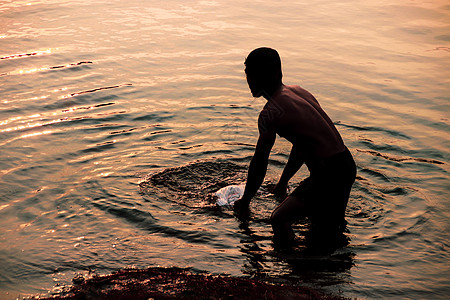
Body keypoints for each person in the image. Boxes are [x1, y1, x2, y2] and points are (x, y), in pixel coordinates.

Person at [234, 47, 356, 248]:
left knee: (278, 218)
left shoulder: (270, 112)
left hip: (329, 174)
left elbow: (260, 161)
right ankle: (327, 268)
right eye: (248, 75)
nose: (250, 81)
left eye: (254, 75)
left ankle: (288, 264)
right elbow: (303, 145)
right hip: (345, 165)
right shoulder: (298, 90)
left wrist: (245, 201)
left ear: (273, 74)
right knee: (327, 225)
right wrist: (283, 182)